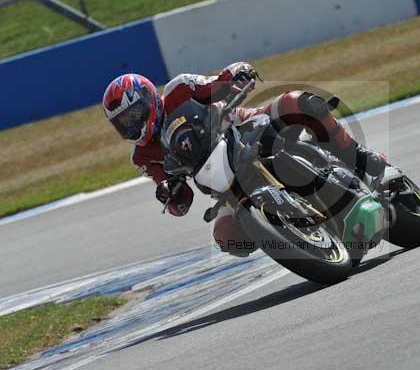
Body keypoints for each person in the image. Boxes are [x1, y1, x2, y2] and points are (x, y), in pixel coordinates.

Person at [102, 62, 386, 256]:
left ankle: (357, 157)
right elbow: (180, 200)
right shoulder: (143, 155)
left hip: (245, 128)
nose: (130, 126)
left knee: (298, 102)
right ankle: (291, 233)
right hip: (224, 184)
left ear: (149, 100)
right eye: (122, 123)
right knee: (227, 237)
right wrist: (169, 194)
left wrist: (237, 74)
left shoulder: (179, 90)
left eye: (134, 115)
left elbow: (218, 84)